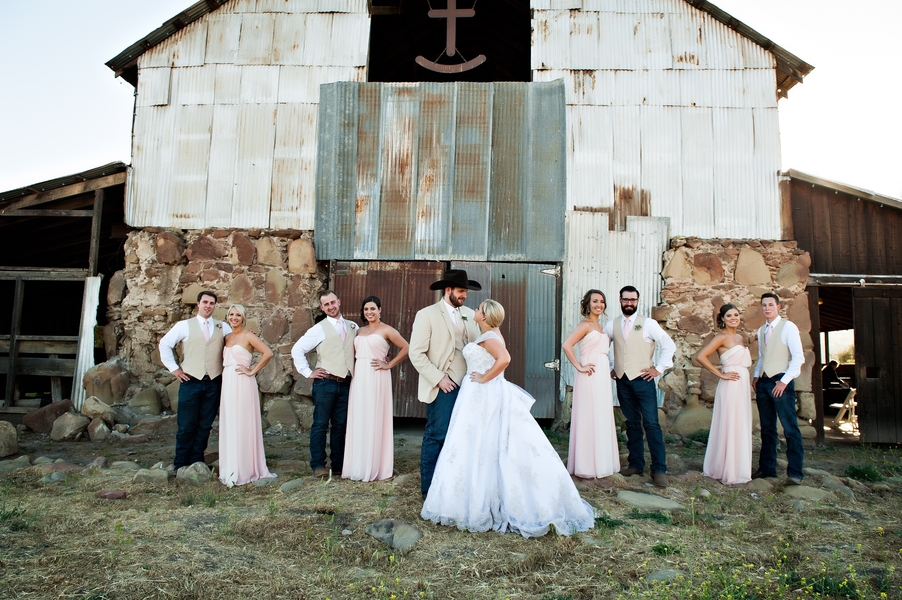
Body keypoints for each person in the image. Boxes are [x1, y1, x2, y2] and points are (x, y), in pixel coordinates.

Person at [421, 300, 596, 538]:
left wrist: (485, 378)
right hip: (477, 396)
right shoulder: (489, 333)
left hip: (482, 394)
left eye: (480, 308)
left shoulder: (490, 337)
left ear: (484, 316)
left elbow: (504, 359)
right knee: (482, 445)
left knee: (481, 443)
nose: (476, 310)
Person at [408, 269, 482, 498]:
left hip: (469, 386)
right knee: (437, 435)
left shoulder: (470, 314)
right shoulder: (427, 314)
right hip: (443, 386)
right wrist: (439, 378)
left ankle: (453, 487)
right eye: (461, 291)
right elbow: (416, 353)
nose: (465, 296)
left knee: (462, 437)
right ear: (448, 290)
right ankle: (429, 490)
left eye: (466, 292)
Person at [603, 285, 676, 488]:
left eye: (633, 300)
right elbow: (602, 347)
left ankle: (659, 469)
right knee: (632, 423)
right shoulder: (612, 325)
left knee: (651, 423)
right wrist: (611, 366)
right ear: (620, 300)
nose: (629, 303)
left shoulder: (648, 324)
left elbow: (669, 345)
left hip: (643, 381)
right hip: (623, 381)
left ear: (638, 301)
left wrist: (658, 368)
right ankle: (635, 464)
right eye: (626, 300)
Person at [159, 290, 232, 471]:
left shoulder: (222, 327)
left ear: (215, 306)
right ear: (198, 304)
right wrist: (174, 369)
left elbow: (237, 339)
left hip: (213, 381)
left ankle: (197, 461)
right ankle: (180, 463)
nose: (208, 306)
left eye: (212, 303)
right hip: (190, 381)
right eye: (205, 302)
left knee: (205, 425)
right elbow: (165, 344)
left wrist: (249, 334)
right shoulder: (184, 326)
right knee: (186, 425)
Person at [342, 296, 409, 482]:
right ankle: (358, 464)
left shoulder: (387, 330)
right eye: (366, 309)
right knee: (359, 417)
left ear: (380, 309)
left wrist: (389, 365)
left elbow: (406, 348)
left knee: (374, 416)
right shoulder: (358, 331)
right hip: (359, 376)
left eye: (372, 308)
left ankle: (375, 465)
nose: (369, 312)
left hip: (377, 375)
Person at [291, 290, 357, 478]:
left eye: (333, 302)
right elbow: (297, 350)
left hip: (345, 383)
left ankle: (338, 464)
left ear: (339, 302)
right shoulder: (318, 329)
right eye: (326, 304)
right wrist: (308, 372)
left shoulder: (353, 326)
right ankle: (318, 464)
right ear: (322, 307)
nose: (330, 306)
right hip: (325, 383)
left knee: (340, 425)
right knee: (320, 424)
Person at [561, 289, 620, 483]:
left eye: (602, 302)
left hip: (602, 375)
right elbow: (567, 345)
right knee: (589, 414)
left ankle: (602, 462)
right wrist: (579, 366)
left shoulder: (602, 326)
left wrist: (610, 368)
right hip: (589, 374)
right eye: (595, 301)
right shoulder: (585, 325)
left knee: (601, 414)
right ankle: (586, 464)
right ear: (587, 304)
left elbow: (603, 352)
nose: (599, 305)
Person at [218, 304, 276, 487]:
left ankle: (246, 468)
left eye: (238, 315)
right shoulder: (226, 337)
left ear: (243, 318)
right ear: (227, 317)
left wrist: (253, 371)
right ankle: (231, 467)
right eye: (231, 315)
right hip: (227, 381)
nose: (234, 318)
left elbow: (268, 353)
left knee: (242, 422)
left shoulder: (248, 335)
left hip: (243, 381)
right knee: (231, 422)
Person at [695, 304, 752, 485]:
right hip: (730, 385)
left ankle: (737, 467)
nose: (734, 318)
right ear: (723, 319)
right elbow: (701, 356)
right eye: (729, 315)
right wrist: (721, 374)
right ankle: (726, 468)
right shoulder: (721, 337)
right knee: (730, 422)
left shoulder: (740, 337)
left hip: (742, 385)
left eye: (736, 314)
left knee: (740, 422)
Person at [752, 293, 806, 485]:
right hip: (764, 382)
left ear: (778, 306)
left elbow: (798, 358)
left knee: (790, 428)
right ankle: (767, 469)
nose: (767, 308)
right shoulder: (761, 331)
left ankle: (795, 473)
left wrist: (784, 381)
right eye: (764, 305)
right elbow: (762, 356)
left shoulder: (788, 327)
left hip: (781, 381)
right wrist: (756, 376)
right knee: (767, 429)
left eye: (770, 305)